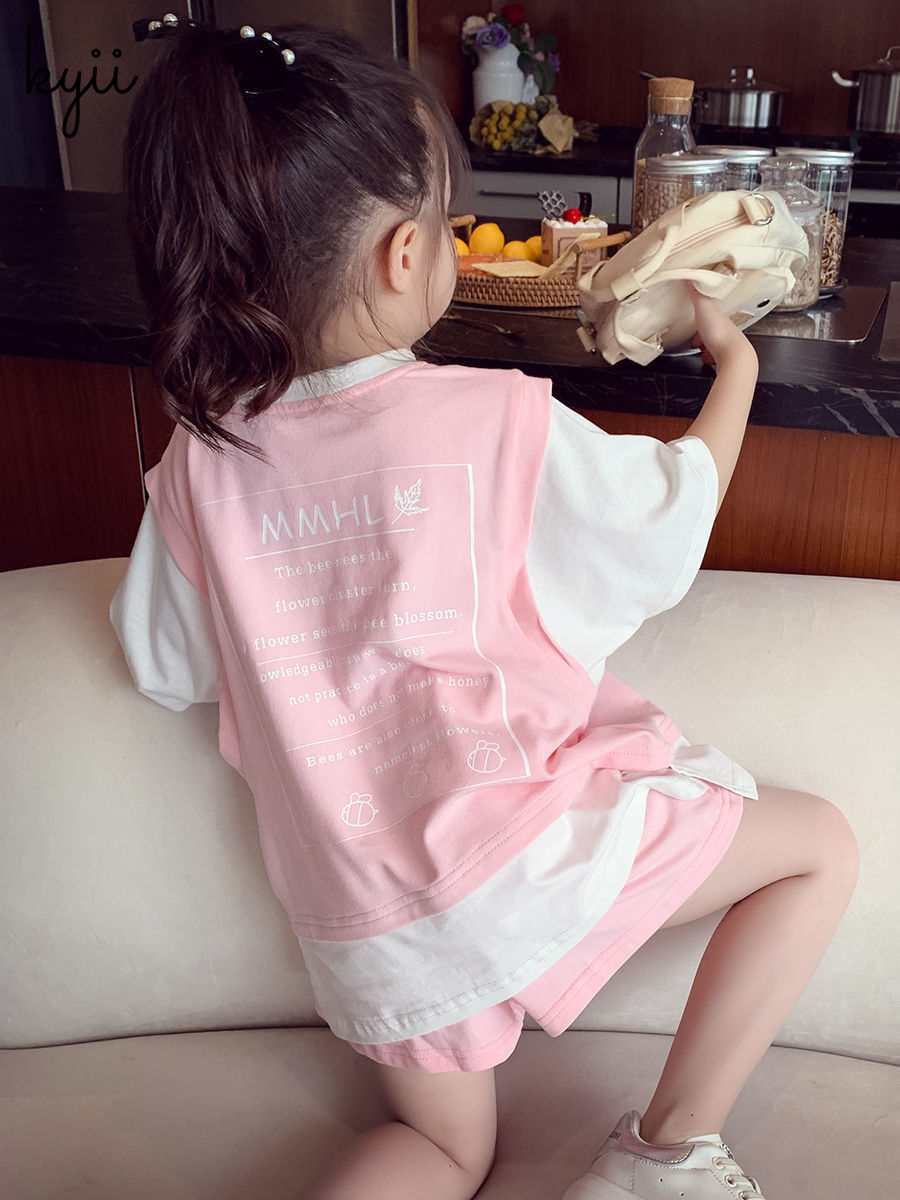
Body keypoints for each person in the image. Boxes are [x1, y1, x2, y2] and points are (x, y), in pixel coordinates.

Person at [110, 18, 858, 1200]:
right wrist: (737, 374)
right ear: (408, 254)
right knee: (817, 849)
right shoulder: (490, 419)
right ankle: (666, 1153)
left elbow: (162, 662)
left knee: (442, 1153)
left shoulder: (200, 466)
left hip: (360, 921)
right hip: (522, 862)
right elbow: (658, 525)